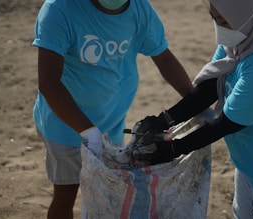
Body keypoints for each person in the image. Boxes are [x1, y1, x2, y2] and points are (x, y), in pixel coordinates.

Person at [130, 0, 253, 218]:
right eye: (214, 18)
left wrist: (173, 149)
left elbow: (227, 123)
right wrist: (164, 119)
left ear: (247, 16)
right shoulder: (245, 37)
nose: (220, 28)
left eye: (224, 21)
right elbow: (211, 86)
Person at [32, 0, 193, 218]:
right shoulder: (60, 9)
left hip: (111, 123)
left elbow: (163, 57)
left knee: (110, 195)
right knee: (66, 195)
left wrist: (194, 102)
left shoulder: (139, 9)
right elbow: (49, 83)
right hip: (65, 125)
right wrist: (87, 131)